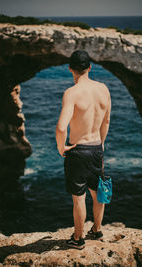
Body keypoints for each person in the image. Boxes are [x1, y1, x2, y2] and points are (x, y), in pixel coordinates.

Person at [55, 50, 111, 249]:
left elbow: (61, 127)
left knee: (79, 198)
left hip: (77, 151)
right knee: (98, 193)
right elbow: (106, 121)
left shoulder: (71, 93)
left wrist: (62, 148)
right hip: (96, 148)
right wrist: (101, 144)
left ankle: (78, 239)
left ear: (70, 68)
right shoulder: (103, 89)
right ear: (90, 67)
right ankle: (96, 230)